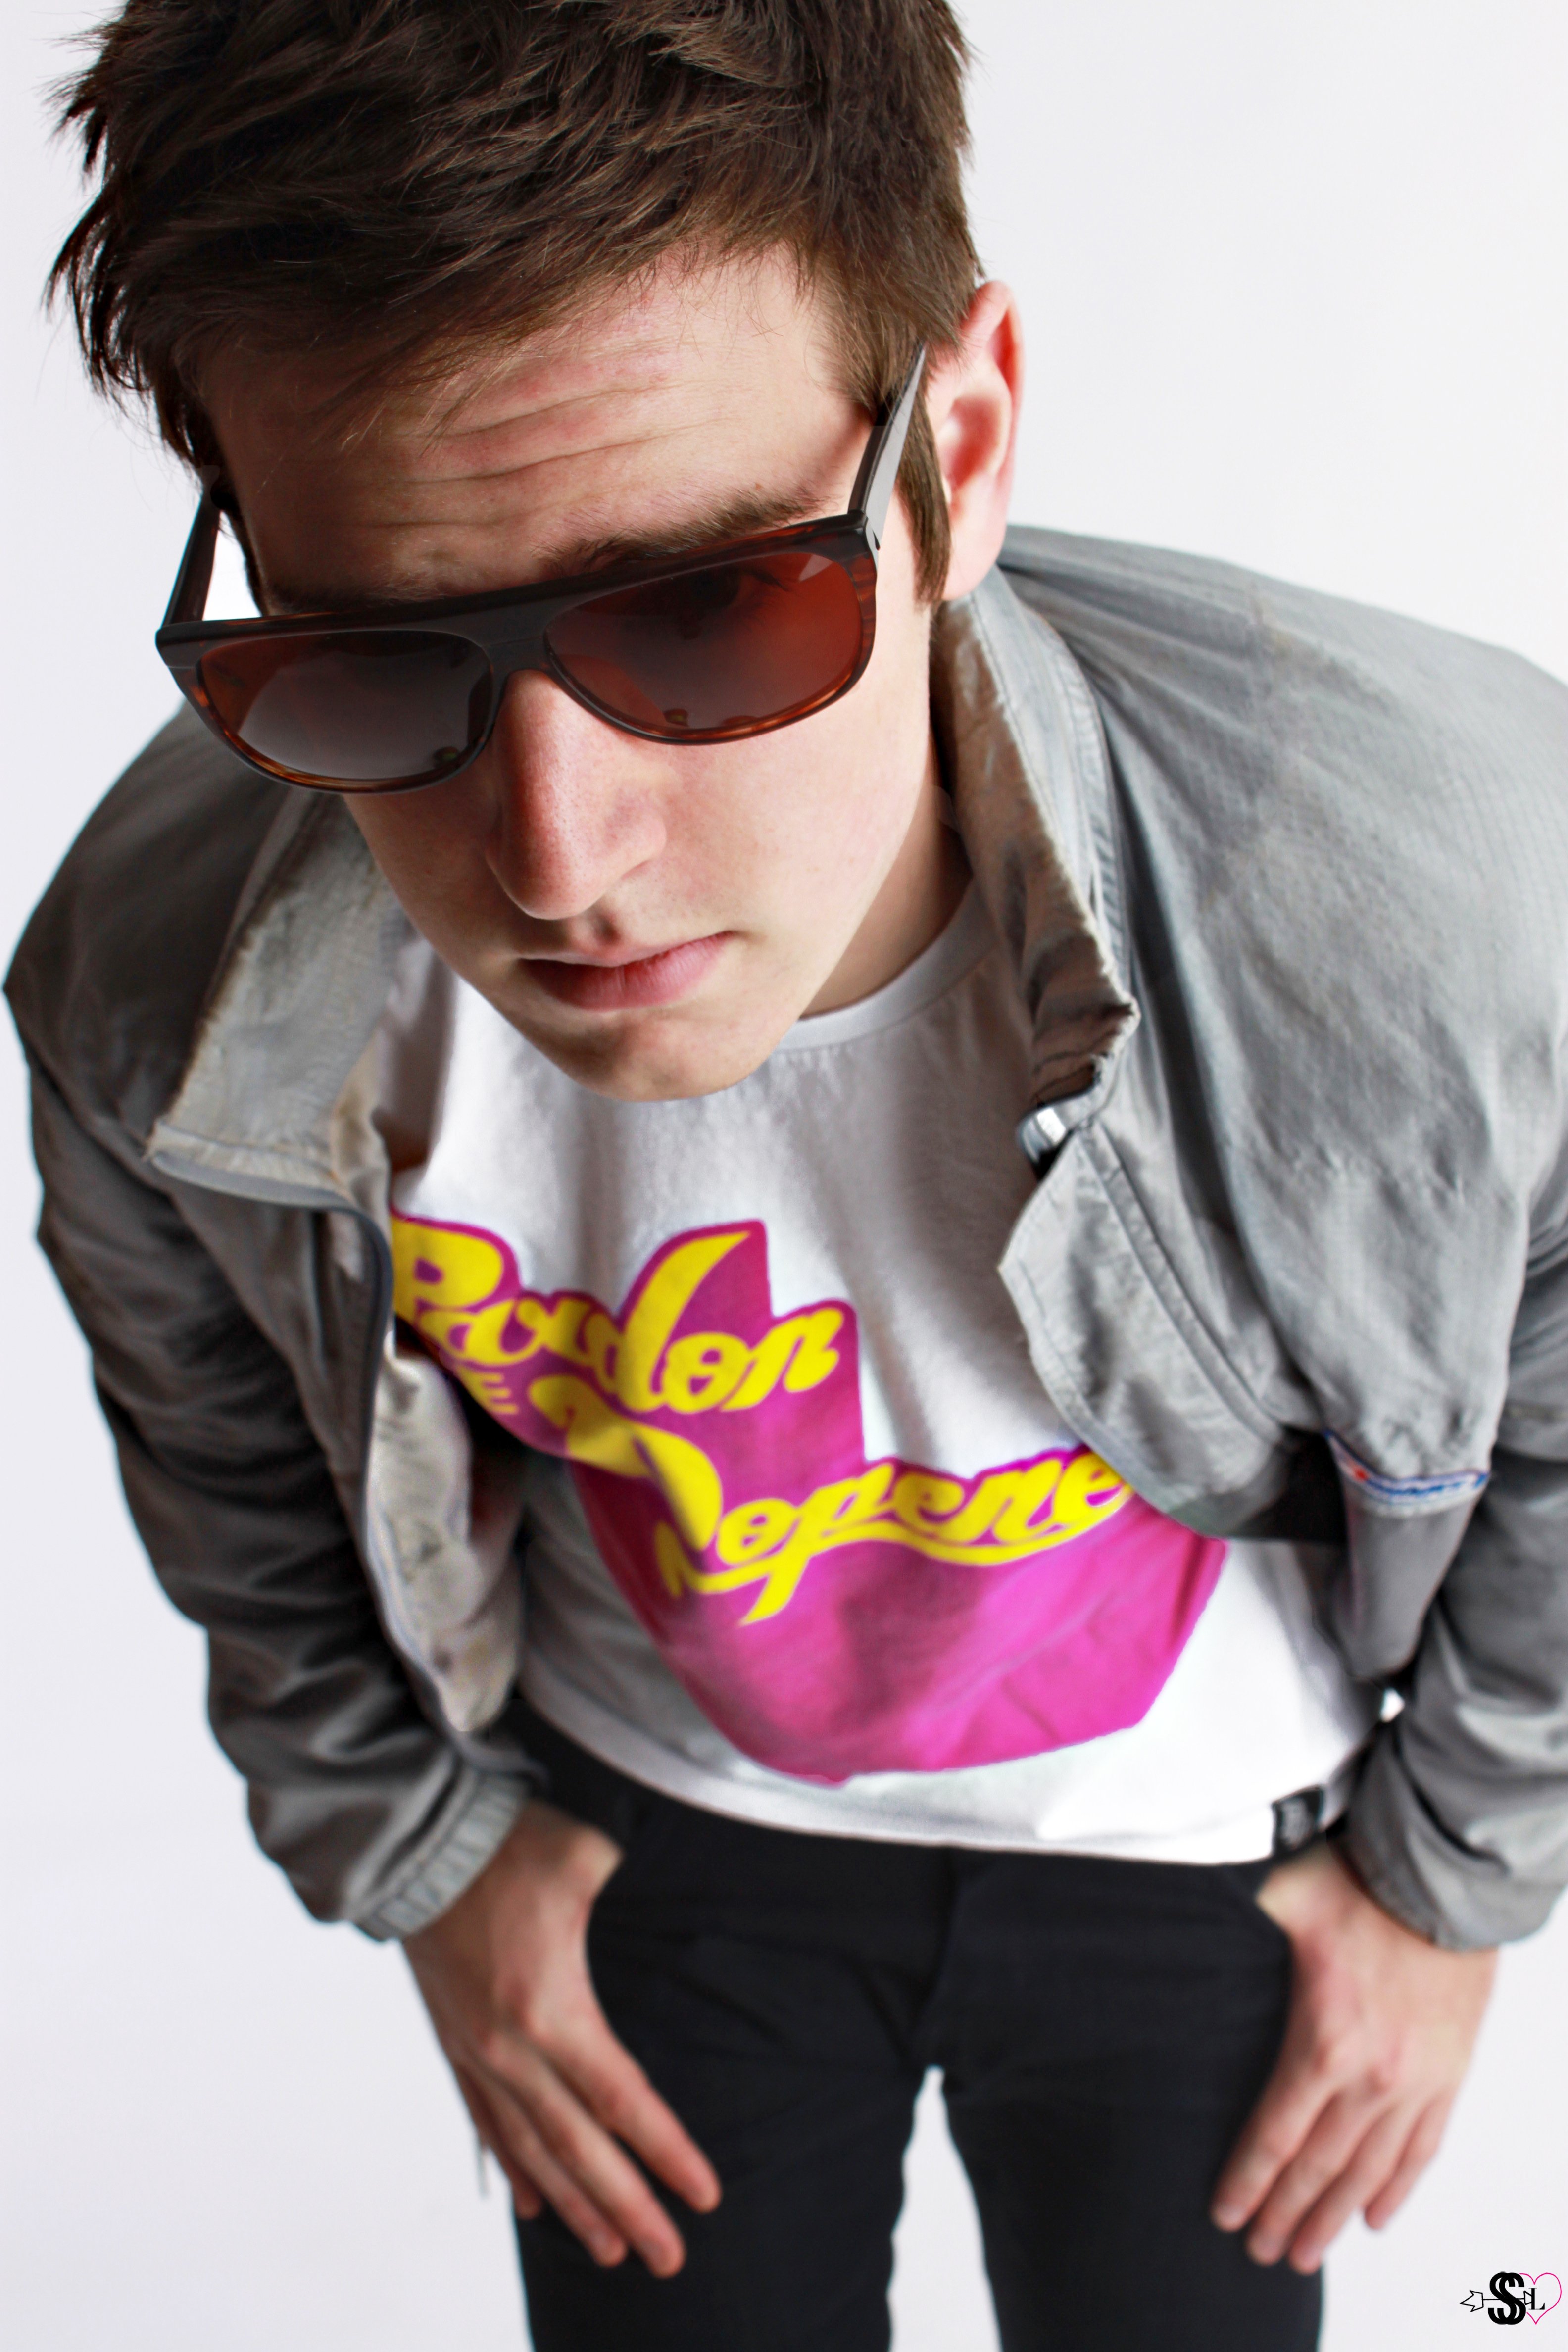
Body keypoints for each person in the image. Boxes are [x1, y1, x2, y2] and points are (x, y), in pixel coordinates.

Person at [9, 3, 1565, 2347]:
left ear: (961, 447)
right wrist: (423, 1858)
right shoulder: (157, 989)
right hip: (656, 1842)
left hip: (1212, 1857)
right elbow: (224, 1460)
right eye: (369, 664)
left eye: (707, 611)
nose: (558, 856)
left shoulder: (1450, 905)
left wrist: (1453, 1884)